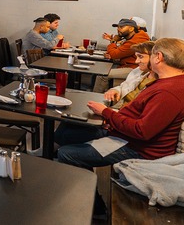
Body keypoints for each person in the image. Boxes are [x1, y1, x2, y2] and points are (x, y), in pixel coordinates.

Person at [56, 37, 184, 170]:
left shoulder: (168, 92)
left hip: (137, 149)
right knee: (65, 130)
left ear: (158, 57)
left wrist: (106, 113)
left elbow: (142, 131)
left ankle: (86, 188)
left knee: (67, 153)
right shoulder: (170, 82)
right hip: (125, 134)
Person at [55, 41, 157, 146]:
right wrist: (115, 90)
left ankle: (59, 153)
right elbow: (124, 86)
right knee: (67, 121)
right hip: (115, 112)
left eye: (140, 57)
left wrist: (109, 116)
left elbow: (114, 54)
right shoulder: (141, 72)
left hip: (119, 124)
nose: (136, 61)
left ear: (156, 58)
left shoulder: (157, 86)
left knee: (66, 132)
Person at [93, 18, 151, 92]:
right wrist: (113, 52)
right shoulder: (133, 37)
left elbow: (114, 54)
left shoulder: (135, 41)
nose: (118, 29)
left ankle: (97, 98)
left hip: (134, 69)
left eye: (121, 27)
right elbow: (117, 52)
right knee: (101, 69)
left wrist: (113, 41)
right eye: (118, 27)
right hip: (126, 65)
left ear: (131, 29)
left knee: (103, 75)